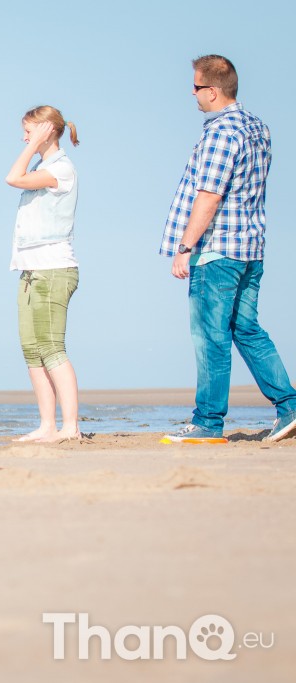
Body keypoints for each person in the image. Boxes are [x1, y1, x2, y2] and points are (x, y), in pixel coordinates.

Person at [160, 54, 296, 444]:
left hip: (218, 249)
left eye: (197, 87)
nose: (193, 93)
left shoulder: (221, 133)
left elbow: (209, 197)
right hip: (251, 247)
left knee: (210, 337)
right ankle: (289, 405)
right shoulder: (258, 127)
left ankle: (207, 423)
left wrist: (185, 247)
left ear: (214, 92)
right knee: (247, 329)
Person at [5, 105, 81, 442]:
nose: (24, 137)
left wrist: (33, 143)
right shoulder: (44, 167)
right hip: (31, 269)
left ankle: (71, 427)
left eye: (29, 130)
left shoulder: (61, 169)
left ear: (47, 129)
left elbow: (13, 178)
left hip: (54, 269)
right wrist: (34, 144)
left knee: (52, 348)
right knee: (32, 351)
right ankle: (48, 425)